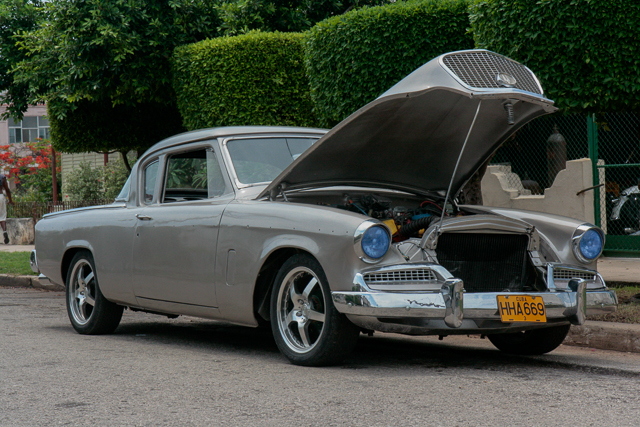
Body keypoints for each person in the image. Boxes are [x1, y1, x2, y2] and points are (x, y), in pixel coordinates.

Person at [0, 173, 14, 244]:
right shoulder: (2, 177)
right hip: (1, 197)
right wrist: (10, 200)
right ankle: (4, 232)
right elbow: (7, 190)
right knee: (2, 217)